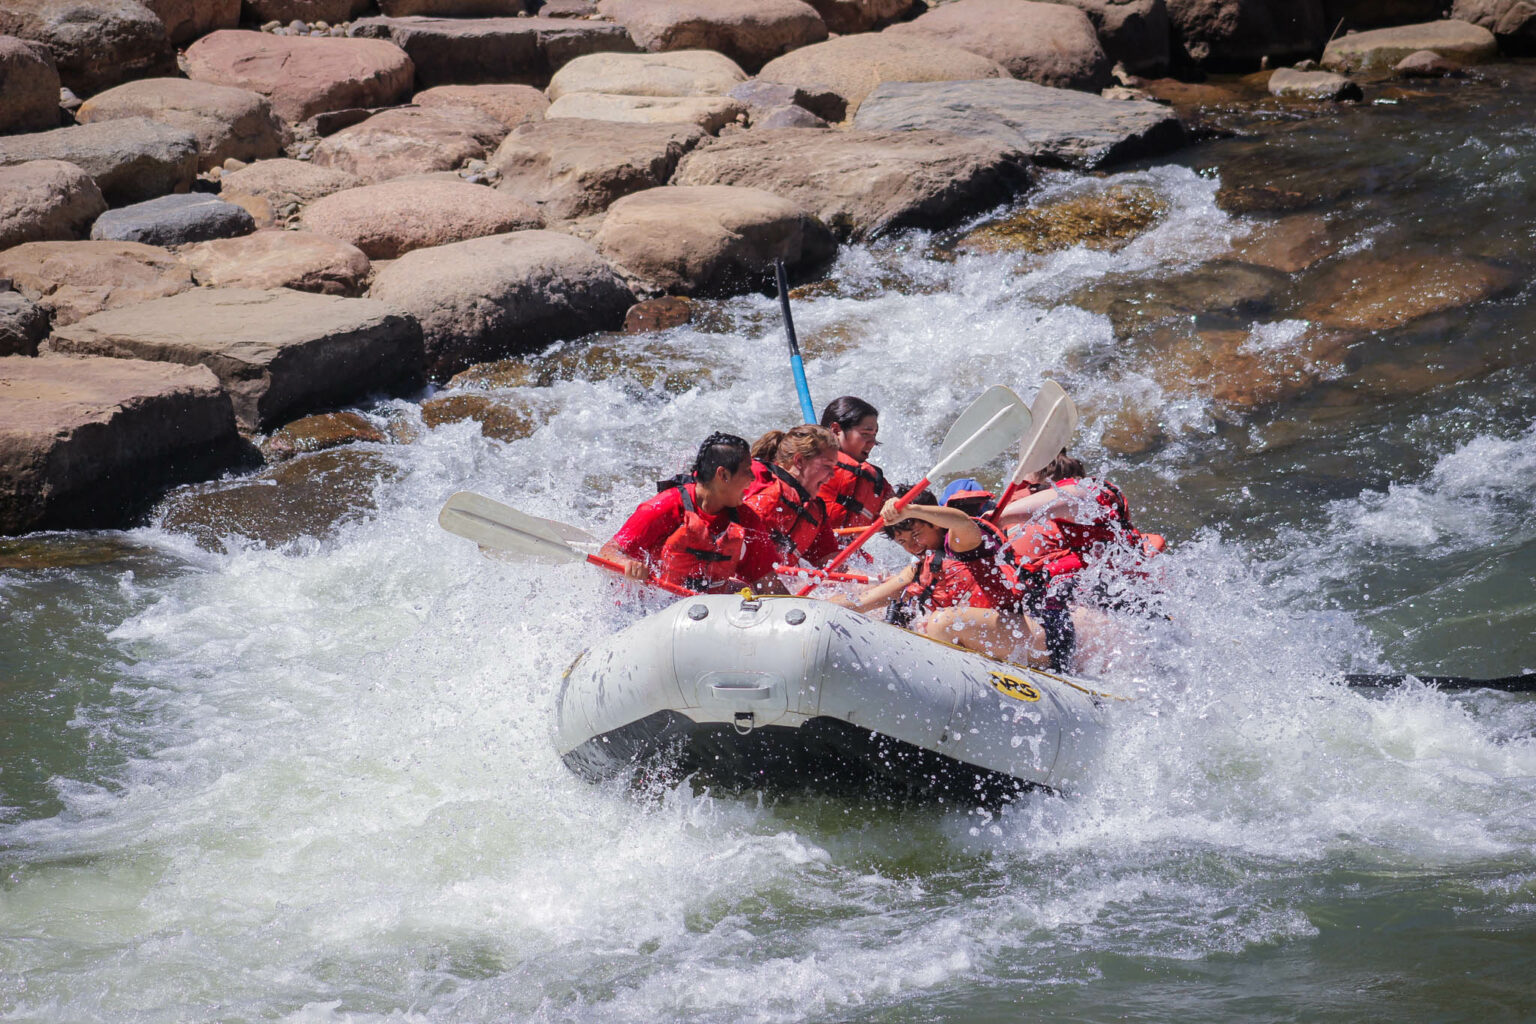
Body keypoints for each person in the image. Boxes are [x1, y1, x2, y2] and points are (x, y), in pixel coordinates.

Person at [831, 492, 1076, 670]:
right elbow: (862, 601)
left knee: (941, 623)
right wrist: (810, 607)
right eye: (904, 542)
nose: (913, 546)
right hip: (998, 639)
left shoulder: (962, 545)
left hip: (1044, 635)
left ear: (937, 525)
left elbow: (962, 522)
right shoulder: (917, 571)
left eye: (917, 535)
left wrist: (911, 510)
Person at [601, 433, 786, 594]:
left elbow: (770, 586)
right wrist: (627, 564)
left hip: (707, 616)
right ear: (723, 475)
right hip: (651, 611)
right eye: (747, 471)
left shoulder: (746, 519)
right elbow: (607, 552)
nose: (753, 478)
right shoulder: (663, 507)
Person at [743, 425, 841, 566]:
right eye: (827, 466)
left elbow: (836, 569)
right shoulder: (757, 482)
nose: (832, 475)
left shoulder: (815, 510)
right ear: (799, 461)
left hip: (768, 582)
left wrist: (881, 582)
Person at [816, 396, 894, 532]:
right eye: (865, 434)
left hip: (841, 550)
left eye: (874, 435)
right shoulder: (804, 464)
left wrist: (904, 508)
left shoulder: (874, 481)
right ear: (836, 430)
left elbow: (905, 519)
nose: (872, 443)